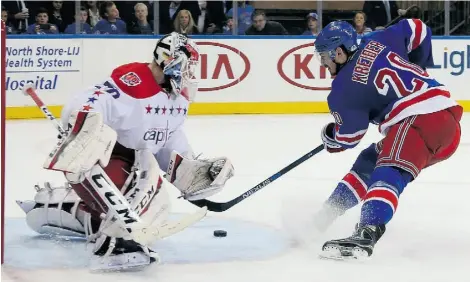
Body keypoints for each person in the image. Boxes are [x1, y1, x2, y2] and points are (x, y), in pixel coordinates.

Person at [16, 32, 235, 271]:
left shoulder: (177, 98)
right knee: (146, 192)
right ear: (169, 60)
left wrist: (190, 171)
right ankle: (116, 245)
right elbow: (92, 98)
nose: (190, 74)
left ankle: (68, 209)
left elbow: (168, 138)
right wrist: (84, 121)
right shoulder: (134, 82)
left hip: (135, 165)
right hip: (105, 164)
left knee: (158, 205)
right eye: (187, 66)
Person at [312, 19, 462, 259]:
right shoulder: (377, 40)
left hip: (420, 119)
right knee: (369, 161)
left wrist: (330, 136)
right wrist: (418, 68)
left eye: (324, 57)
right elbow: (417, 28)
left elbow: (350, 136)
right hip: (443, 121)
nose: (323, 63)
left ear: (338, 52)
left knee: (388, 167)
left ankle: (368, 231)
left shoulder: (341, 89)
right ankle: (326, 215)